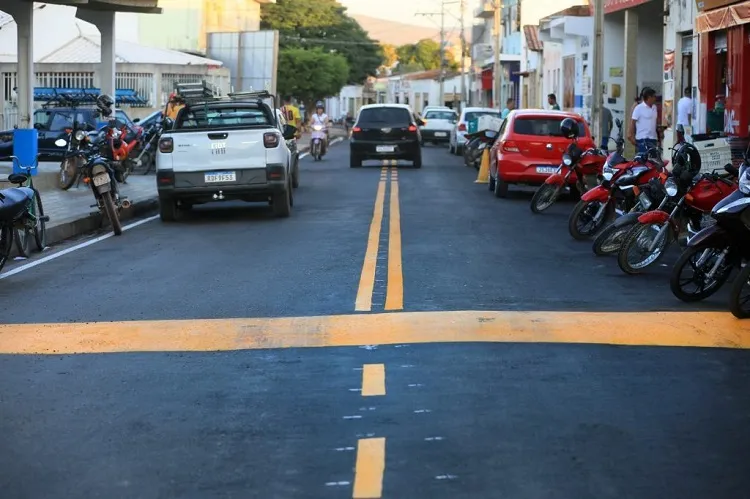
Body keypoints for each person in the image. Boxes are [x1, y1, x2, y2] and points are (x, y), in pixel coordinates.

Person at [629, 87, 660, 155]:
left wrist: (659, 134)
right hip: (642, 139)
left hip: (653, 139)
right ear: (649, 97)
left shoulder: (654, 107)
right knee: (643, 160)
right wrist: (631, 136)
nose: (655, 98)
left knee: (653, 160)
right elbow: (632, 122)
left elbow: (656, 122)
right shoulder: (638, 108)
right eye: (654, 96)